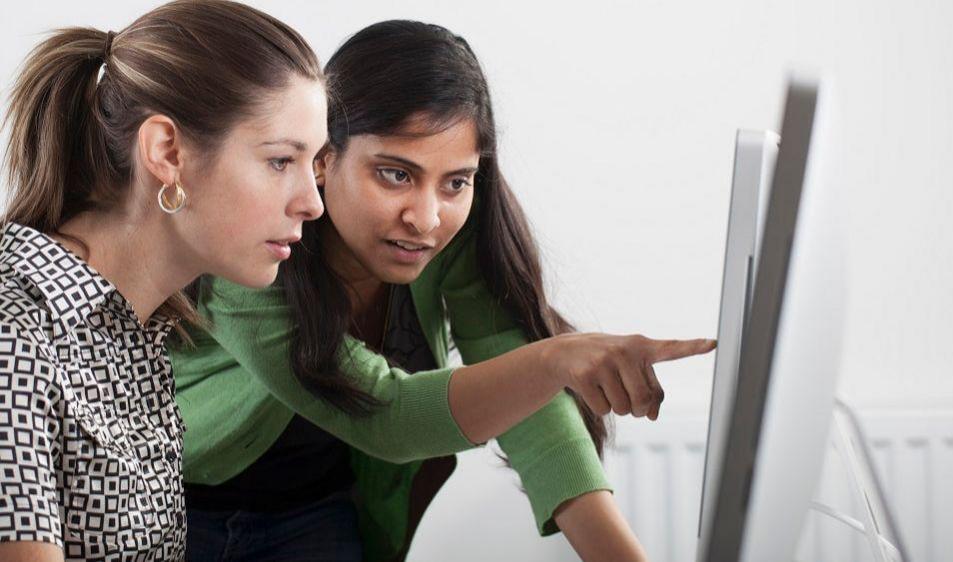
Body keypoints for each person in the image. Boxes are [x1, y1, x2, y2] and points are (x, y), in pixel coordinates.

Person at [171, 20, 715, 562]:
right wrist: (555, 360)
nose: (426, 219)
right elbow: (389, 414)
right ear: (323, 158)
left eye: (456, 182)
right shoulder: (252, 249)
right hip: (179, 506)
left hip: (318, 510)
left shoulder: (452, 240)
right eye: (395, 175)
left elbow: (528, 396)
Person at [0, 1, 328, 560]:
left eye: (315, 165)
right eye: (280, 161)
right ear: (167, 152)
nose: (313, 203)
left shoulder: (137, 332)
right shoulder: (16, 336)